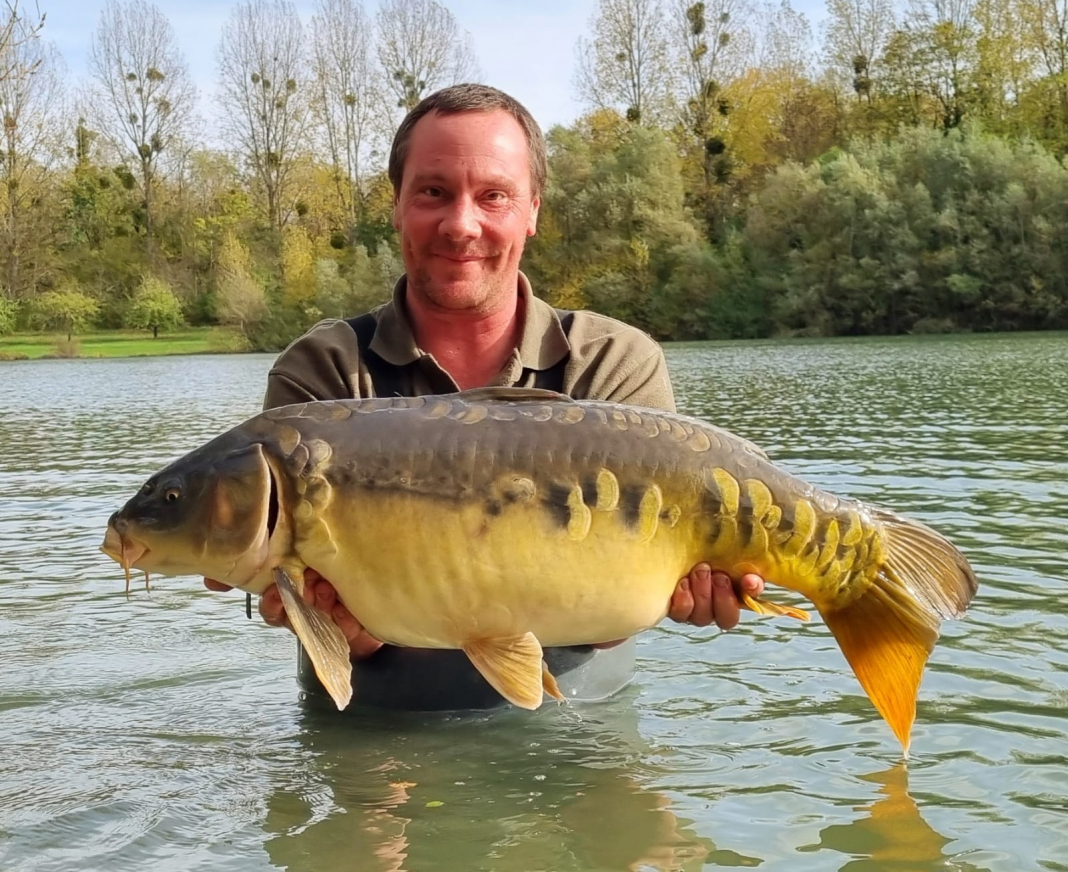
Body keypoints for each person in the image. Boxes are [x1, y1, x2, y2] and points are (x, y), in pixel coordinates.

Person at [206, 83, 765, 709]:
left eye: (493, 195)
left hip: (582, 724)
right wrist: (338, 628)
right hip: (373, 729)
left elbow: (618, 607)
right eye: (433, 192)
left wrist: (689, 590)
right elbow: (312, 605)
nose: (461, 225)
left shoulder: (614, 362)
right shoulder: (324, 372)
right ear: (397, 206)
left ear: (532, 211)